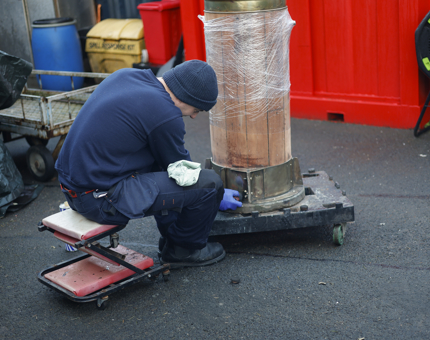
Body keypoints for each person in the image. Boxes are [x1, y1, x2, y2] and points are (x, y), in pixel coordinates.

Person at [55, 60, 242, 268]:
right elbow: (183, 172)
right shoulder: (165, 114)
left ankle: (172, 239)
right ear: (186, 97)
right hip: (97, 201)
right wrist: (216, 195)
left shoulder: (127, 75)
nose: (194, 115)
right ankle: (183, 250)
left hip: (72, 187)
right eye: (196, 109)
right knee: (208, 184)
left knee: (159, 161)